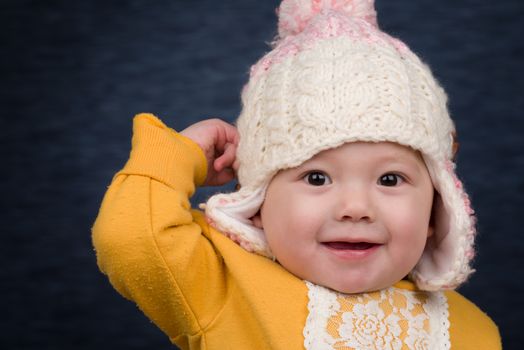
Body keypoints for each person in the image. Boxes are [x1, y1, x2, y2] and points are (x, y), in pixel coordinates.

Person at [92, 0, 501, 348]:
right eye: (317, 178)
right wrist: (182, 153)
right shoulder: (222, 284)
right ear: (257, 204)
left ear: (437, 209)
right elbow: (131, 239)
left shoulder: (475, 332)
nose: (355, 208)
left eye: (390, 180)